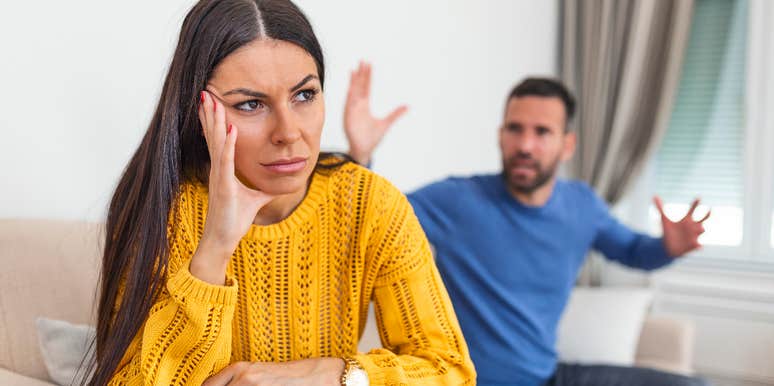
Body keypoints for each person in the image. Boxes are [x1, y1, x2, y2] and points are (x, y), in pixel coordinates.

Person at [88, 2, 475, 385]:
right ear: (199, 113)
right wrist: (215, 249)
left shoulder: (369, 203)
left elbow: (450, 370)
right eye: (251, 104)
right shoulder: (166, 211)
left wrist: (328, 374)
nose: (288, 132)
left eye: (304, 95)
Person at [344, 66, 711, 386]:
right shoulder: (458, 200)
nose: (525, 145)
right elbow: (375, 220)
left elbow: (634, 251)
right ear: (500, 135)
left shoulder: (582, 205)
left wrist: (668, 247)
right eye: (515, 129)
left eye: (542, 132)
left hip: (548, 376)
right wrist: (360, 157)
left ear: (567, 145)